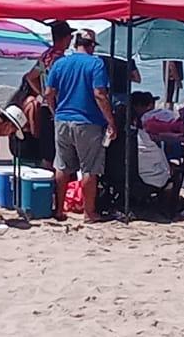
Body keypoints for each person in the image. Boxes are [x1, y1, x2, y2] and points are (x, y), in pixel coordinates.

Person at [45, 28, 117, 222]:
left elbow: (48, 93)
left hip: (62, 120)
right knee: (89, 168)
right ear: (91, 45)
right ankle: (89, 212)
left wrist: (56, 112)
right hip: (88, 122)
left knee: (62, 166)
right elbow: (99, 94)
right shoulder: (95, 64)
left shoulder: (60, 63)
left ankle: (59, 210)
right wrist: (111, 121)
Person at [7, 73, 55, 171]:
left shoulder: (17, 100)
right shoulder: (33, 103)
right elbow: (35, 132)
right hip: (28, 146)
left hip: (15, 144)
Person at [24, 21, 73, 86]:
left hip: (49, 93)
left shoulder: (46, 55)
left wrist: (43, 94)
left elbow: (31, 77)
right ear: (67, 38)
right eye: (71, 37)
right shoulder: (60, 59)